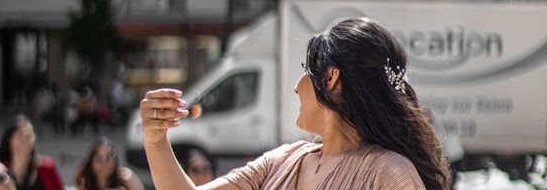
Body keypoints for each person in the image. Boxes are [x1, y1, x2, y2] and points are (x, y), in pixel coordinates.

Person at [140, 17, 451, 190]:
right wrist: (155, 140)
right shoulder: (285, 160)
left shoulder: (389, 173)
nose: (295, 87)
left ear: (331, 78)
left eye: (306, 72)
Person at [0, 114, 64, 190]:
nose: (25, 139)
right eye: (20, 134)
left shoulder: (47, 167)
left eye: (29, 134)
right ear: (9, 140)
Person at [75, 136, 144, 190]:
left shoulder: (127, 178)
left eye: (109, 156)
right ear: (91, 162)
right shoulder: (84, 180)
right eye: (99, 159)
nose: (104, 163)